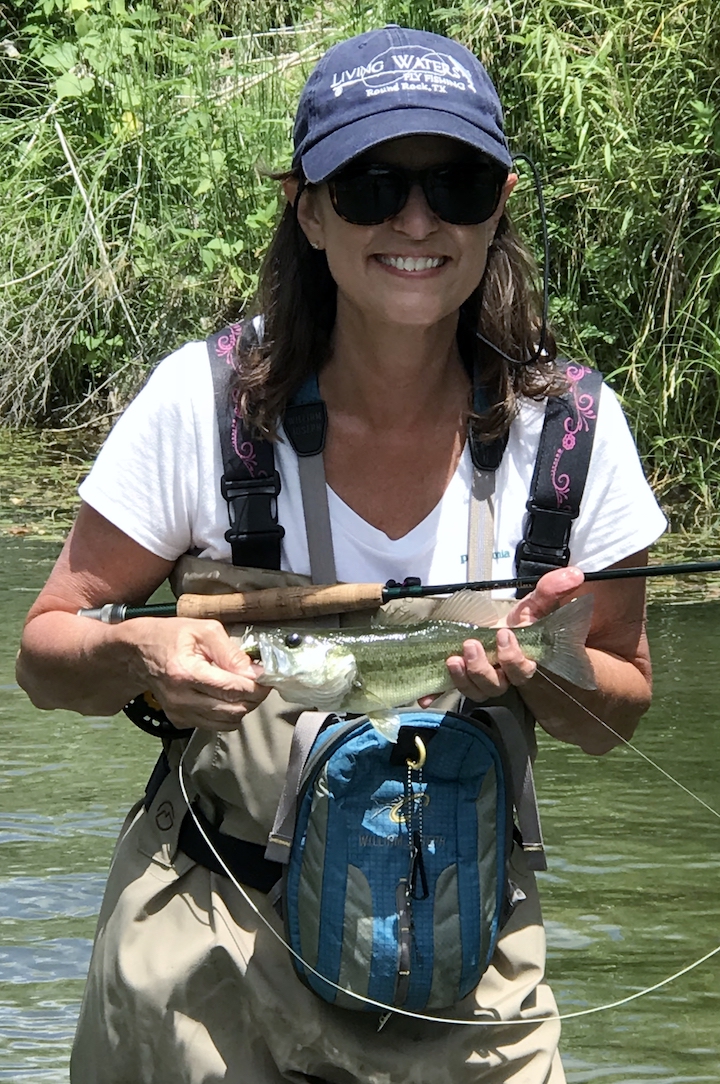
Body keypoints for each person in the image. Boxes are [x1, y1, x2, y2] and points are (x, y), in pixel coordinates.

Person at [16, 25, 666, 1084]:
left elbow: (621, 702)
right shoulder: (203, 404)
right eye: (370, 187)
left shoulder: (575, 435)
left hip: (469, 954)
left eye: (452, 184)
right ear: (309, 208)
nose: (415, 221)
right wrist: (142, 653)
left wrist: (550, 672)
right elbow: (45, 652)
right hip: (210, 947)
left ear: (498, 201)